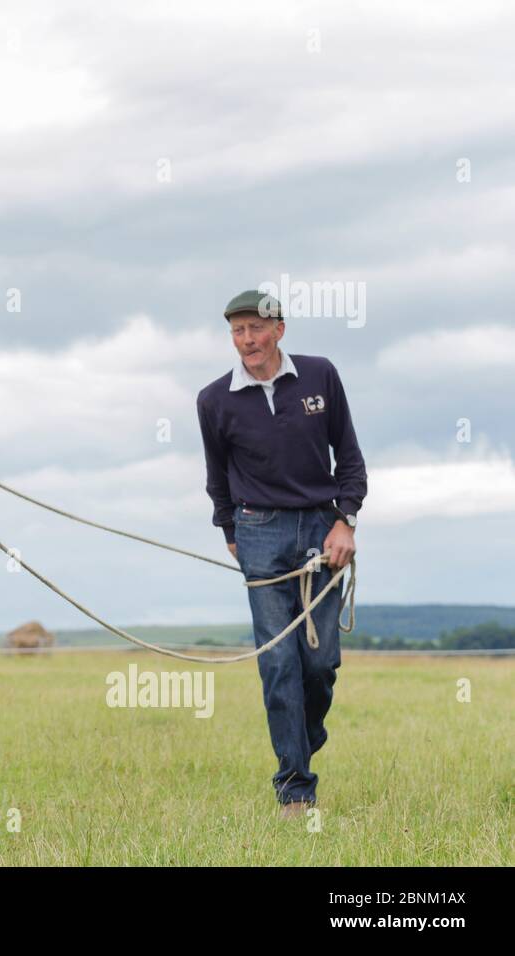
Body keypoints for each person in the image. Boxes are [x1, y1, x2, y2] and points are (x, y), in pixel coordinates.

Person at [195, 289, 367, 818]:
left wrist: (347, 518)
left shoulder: (320, 376)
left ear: (279, 330)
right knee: (278, 665)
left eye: (255, 329)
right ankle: (295, 788)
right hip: (258, 530)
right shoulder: (214, 400)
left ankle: (303, 735)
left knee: (320, 664)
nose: (246, 341)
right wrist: (231, 532)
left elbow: (350, 456)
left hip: (322, 527)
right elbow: (217, 478)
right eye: (237, 332)